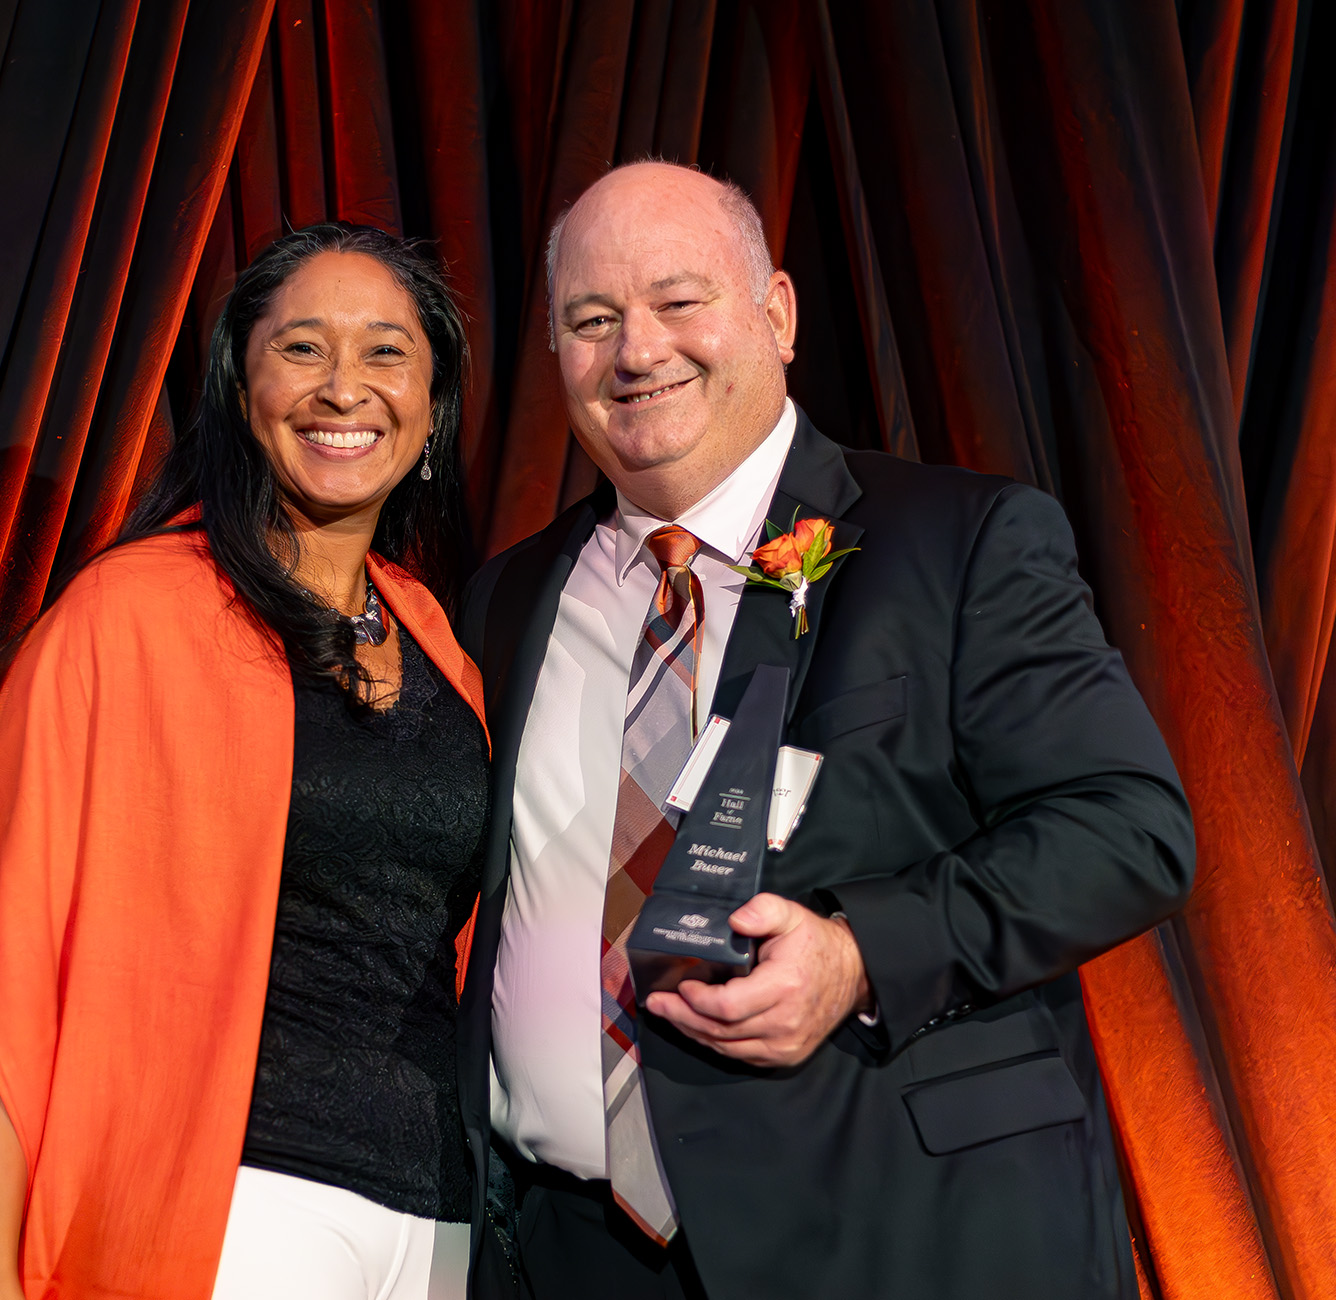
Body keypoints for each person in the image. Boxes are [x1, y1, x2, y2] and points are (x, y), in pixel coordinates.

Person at [455, 162, 1198, 1298]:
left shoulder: (957, 543)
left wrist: (859, 956)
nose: (636, 350)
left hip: (896, 1233)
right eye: (590, 320)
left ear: (779, 315)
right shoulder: (506, 600)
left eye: (678, 300)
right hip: (571, 1255)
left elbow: (1126, 830)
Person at [0, 223, 488, 1300]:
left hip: (438, 1215)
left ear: (431, 406)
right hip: (240, 1208)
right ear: (239, 389)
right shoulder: (131, 611)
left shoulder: (437, 638)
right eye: (301, 349)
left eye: (386, 351)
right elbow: (17, 959)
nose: (345, 388)